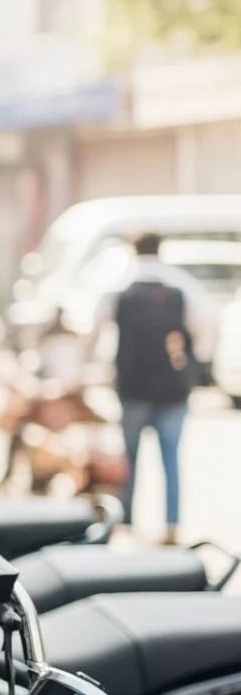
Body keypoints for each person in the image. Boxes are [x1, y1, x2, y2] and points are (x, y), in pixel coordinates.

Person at [101, 232, 209, 542]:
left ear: (133, 250)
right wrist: (192, 362)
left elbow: (98, 325)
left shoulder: (120, 283)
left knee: (129, 457)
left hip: (133, 386)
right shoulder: (180, 284)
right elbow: (203, 325)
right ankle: (172, 524)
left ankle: (127, 521)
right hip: (173, 388)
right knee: (171, 459)